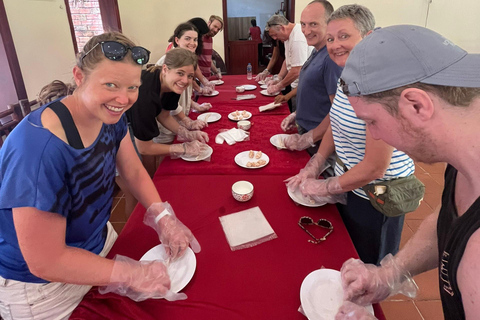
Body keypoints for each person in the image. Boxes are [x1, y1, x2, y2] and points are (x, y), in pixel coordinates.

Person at [0, 32, 200, 320]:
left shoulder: (109, 117)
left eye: (133, 87)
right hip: (42, 289)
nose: (124, 98)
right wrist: (130, 272)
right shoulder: (37, 149)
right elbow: (45, 261)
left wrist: (163, 217)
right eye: (111, 85)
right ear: (79, 76)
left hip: (97, 245)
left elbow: (132, 170)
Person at [334, 25, 480, 320]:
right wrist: (390, 274)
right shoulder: (465, 154)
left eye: (371, 122)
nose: (373, 137)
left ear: (416, 105)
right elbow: (448, 219)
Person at [286, 5, 415, 265]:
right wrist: (316, 163)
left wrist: (326, 186)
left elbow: (375, 167)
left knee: (371, 265)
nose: (335, 45)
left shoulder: (381, 85)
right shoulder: (348, 75)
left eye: (344, 36)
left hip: (377, 196)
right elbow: (336, 120)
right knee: (347, 254)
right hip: (349, 184)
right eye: (331, 38)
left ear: (368, 37)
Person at [127, 47, 209, 177]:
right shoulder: (145, 95)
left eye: (190, 76)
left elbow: (164, 115)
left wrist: (187, 134)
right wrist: (182, 148)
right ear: (165, 69)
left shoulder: (172, 86)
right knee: (131, 180)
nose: (185, 81)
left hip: (133, 120)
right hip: (114, 127)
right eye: (180, 73)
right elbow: (144, 148)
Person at [277, 0, 342, 156]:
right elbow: (314, 90)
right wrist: (298, 114)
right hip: (307, 130)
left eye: (313, 24)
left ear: (330, 23)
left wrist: (309, 138)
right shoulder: (316, 50)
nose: (306, 31)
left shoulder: (331, 58)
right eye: (303, 24)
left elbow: (338, 110)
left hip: (320, 140)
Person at [155, 22, 211, 145]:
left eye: (195, 40)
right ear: (177, 40)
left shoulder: (187, 60)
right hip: (166, 120)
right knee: (163, 157)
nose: (192, 43)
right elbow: (165, 100)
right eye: (187, 38)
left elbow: (179, 92)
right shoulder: (166, 63)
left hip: (178, 118)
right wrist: (187, 122)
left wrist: (195, 106)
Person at [265, 14, 313, 112]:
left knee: (299, 118)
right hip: (296, 86)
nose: (274, 38)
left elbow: (296, 70)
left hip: (303, 88)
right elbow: (288, 60)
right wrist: (279, 77)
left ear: (282, 28)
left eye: (275, 35)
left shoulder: (297, 38)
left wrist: (279, 86)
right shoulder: (287, 37)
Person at [198, 15, 224, 80]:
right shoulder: (198, 37)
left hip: (207, 79)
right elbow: (193, 62)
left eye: (218, 29)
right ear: (209, 23)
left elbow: (208, 59)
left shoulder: (210, 39)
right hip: (198, 79)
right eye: (215, 26)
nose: (216, 30)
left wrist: (216, 72)